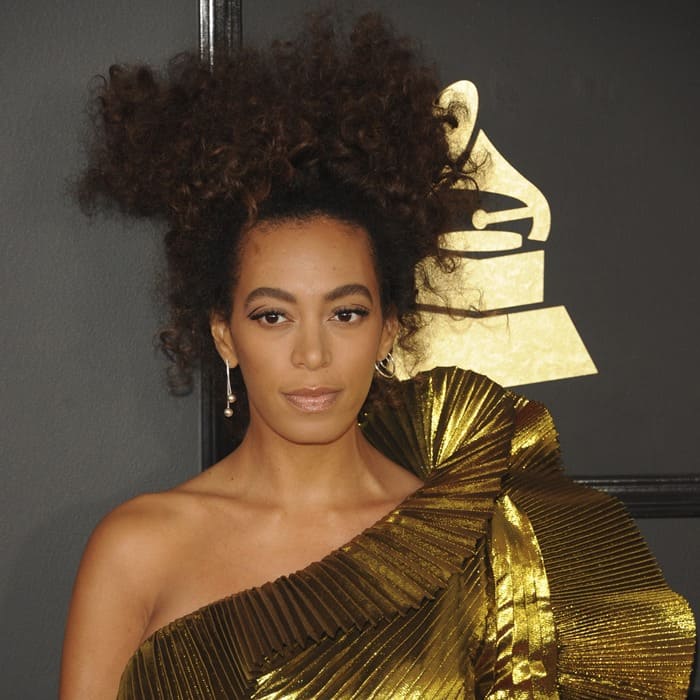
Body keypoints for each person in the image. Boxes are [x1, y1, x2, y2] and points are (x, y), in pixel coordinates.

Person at [60, 13, 695, 699]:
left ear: (389, 329)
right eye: (273, 316)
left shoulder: (475, 548)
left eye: (346, 313)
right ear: (223, 334)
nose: (311, 353)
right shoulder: (138, 551)